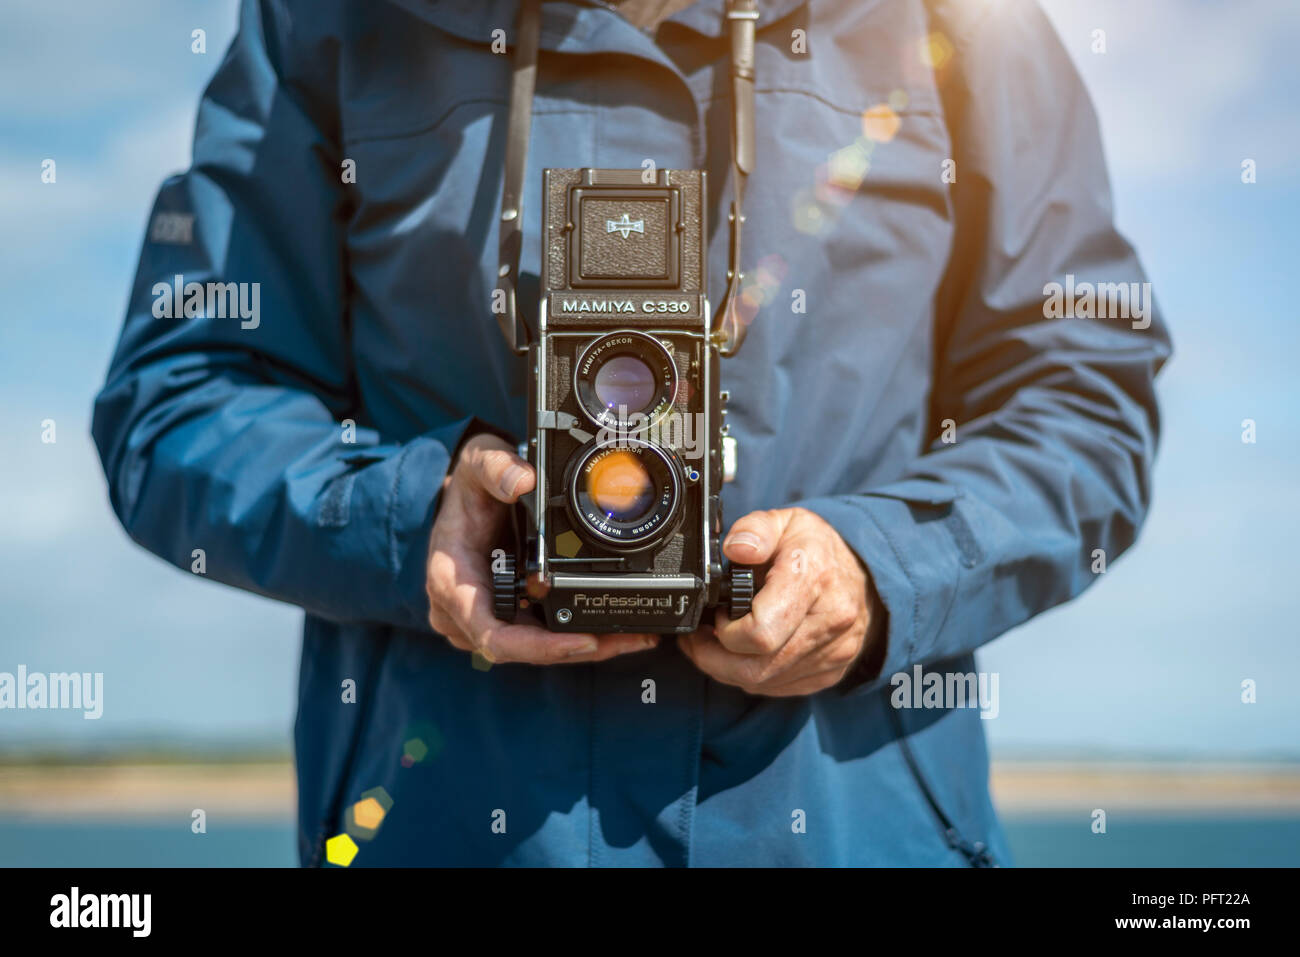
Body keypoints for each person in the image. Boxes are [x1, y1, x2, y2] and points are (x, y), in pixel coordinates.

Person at [92, 0, 1170, 866]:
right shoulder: (326, 19)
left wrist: (882, 572)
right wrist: (408, 521)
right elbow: (178, 394)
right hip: (446, 828)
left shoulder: (966, 26)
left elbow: (1083, 395)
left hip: (851, 830)